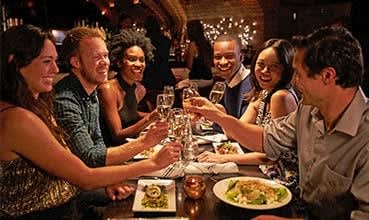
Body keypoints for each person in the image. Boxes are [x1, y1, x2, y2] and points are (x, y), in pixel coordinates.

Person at [0, 24, 181, 219]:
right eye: (46, 61)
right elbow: (85, 175)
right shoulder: (18, 118)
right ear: (15, 63)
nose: (55, 68)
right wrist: (153, 162)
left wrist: (106, 181)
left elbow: (76, 159)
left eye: (54, 60)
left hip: (70, 202)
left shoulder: (39, 104)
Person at [187, 26, 369, 219]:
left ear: (328, 76)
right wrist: (215, 114)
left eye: (299, 74)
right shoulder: (308, 110)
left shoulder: (364, 137)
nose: (294, 81)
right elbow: (266, 138)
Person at [198, 39, 300, 204]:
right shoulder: (264, 93)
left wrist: (224, 158)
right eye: (261, 64)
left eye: (274, 66)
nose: (265, 71)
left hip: (281, 180)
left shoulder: (281, 97)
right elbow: (235, 134)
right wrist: (212, 111)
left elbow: (272, 155)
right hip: (262, 168)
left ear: (286, 69)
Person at [97, 29, 160, 146]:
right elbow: (117, 136)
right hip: (113, 152)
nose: (138, 64)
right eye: (132, 59)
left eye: (142, 60)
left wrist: (163, 115)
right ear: (120, 62)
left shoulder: (136, 88)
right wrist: (149, 118)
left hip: (130, 147)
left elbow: (130, 114)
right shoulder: (108, 89)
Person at [213, 34, 253, 118]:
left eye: (229, 57)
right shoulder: (224, 84)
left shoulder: (252, 84)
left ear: (241, 57)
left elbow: (245, 128)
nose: (223, 62)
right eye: (218, 57)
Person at [142, 15, 176, 109]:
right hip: (166, 77)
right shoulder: (166, 40)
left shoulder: (144, 41)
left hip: (150, 79)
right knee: (169, 106)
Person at [176, 20, 213, 96]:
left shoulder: (192, 45)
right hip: (209, 79)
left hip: (198, 80)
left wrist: (181, 79)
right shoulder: (207, 44)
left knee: (177, 87)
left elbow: (189, 67)